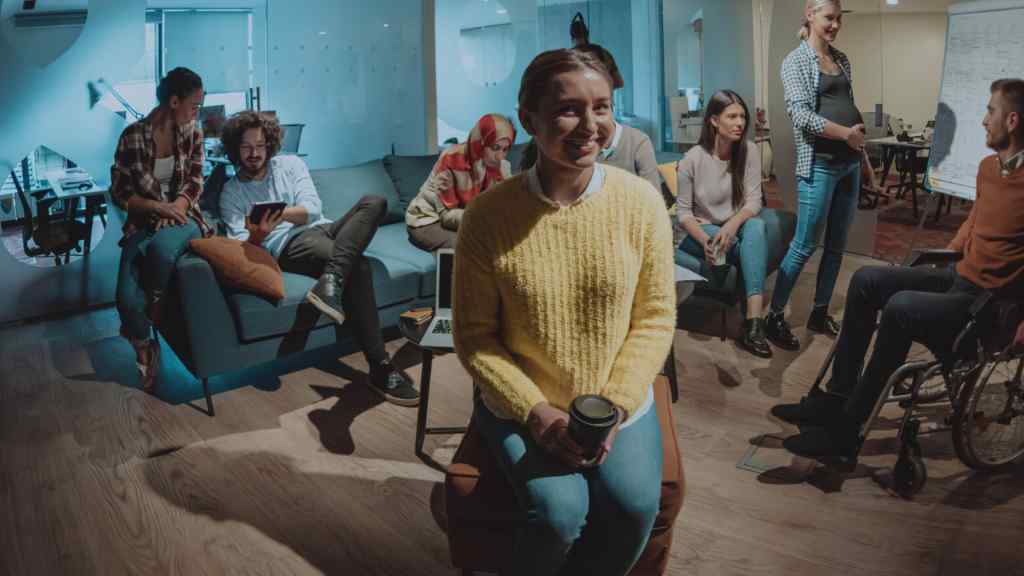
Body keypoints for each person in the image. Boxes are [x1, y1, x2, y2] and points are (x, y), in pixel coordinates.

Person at [453, 49, 676, 576]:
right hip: (522, 400)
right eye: (569, 109)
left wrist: (619, 403)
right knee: (559, 512)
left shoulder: (640, 202)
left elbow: (655, 318)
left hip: (615, 398)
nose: (590, 125)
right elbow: (475, 337)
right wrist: (535, 411)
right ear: (529, 118)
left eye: (602, 107)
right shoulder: (487, 218)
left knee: (634, 506)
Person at [777, 78, 1024, 464]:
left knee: (901, 307)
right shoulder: (988, 168)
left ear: (1011, 120)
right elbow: (974, 221)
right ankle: (838, 397)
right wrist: (945, 254)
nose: (982, 120)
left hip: (987, 302)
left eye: (990, 111)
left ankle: (846, 437)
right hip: (959, 276)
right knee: (867, 280)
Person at [218, 111, 418, 406]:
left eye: (260, 145)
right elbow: (241, 247)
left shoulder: (290, 164)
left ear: (269, 144)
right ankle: (381, 366)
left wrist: (278, 212)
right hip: (289, 245)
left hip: (323, 227)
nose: (254, 153)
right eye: (246, 147)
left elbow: (311, 209)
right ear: (235, 148)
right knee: (359, 266)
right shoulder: (231, 192)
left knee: (375, 202)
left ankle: (332, 279)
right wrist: (260, 234)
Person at [765, 0, 876, 351]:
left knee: (837, 245)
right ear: (810, 15)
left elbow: (849, 110)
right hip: (819, 165)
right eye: (829, 18)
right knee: (803, 245)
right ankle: (774, 316)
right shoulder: (794, 61)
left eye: (839, 19)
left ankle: (819, 310)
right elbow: (799, 115)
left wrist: (864, 160)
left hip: (850, 164)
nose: (835, 25)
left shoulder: (842, 59)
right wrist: (845, 135)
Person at [110, 67, 212, 391]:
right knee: (124, 300)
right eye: (194, 105)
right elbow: (120, 193)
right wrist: (157, 207)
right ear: (173, 101)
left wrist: (177, 207)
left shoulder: (193, 133)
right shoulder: (132, 135)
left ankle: (154, 307)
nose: (197, 112)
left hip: (186, 219)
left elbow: (196, 179)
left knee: (162, 250)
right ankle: (145, 347)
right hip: (145, 221)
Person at [676, 90, 771, 358]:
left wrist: (731, 226)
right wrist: (706, 240)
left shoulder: (749, 150)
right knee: (733, 238)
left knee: (756, 226)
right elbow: (683, 214)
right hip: (703, 229)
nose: (740, 122)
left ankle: (754, 324)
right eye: (732, 116)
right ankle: (753, 321)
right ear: (714, 121)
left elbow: (754, 202)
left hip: (736, 227)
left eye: (742, 116)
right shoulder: (692, 159)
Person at [405, 114, 515, 252]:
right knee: (472, 249)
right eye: (495, 147)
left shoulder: (501, 167)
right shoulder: (451, 160)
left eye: (505, 149)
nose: (500, 156)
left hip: (467, 219)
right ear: (481, 142)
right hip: (428, 221)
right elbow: (446, 216)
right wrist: (483, 218)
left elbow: (511, 201)